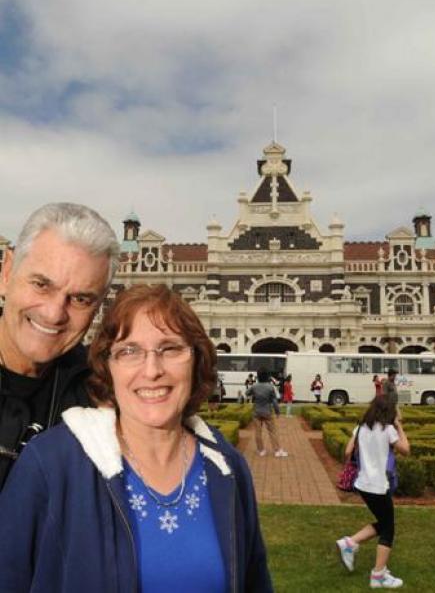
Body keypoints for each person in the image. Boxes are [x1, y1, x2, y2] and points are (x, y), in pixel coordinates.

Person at [0, 284, 272, 592]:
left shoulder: (227, 466)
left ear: (197, 360)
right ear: (107, 366)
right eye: (129, 351)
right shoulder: (51, 464)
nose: (152, 370)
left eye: (170, 348)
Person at [0, 202, 119, 489]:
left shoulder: (101, 393)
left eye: (80, 299)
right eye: (41, 284)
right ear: (6, 273)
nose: (54, 313)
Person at [336, 396, 410, 589]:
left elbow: (347, 452)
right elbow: (406, 449)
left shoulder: (360, 428)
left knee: (384, 522)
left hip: (363, 484)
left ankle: (350, 543)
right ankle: (378, 575)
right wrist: (399, 426)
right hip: (378, 485)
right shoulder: (389, 430)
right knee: (388, 528)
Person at [246, 367, 288, 457]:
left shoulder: (254, 386)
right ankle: (277, 451)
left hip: (256, 411)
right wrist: (277, 412)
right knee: (272, 431)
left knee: (258, 432)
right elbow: (274, 401)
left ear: (258, 376)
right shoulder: (270, 387)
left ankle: (261, 450)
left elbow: (247, 393)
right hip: (267, 411)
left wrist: (254, 393)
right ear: (267, 376)